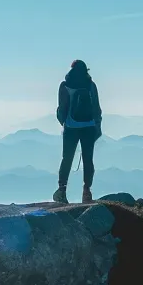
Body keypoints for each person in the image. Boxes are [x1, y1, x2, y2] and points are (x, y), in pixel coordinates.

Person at [54, 59, 103, 203]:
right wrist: (97, 126)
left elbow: (61, 108)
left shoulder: (65, 85)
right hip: (89, 127)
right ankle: (87, 191)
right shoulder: (90, 85)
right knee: (88, 159)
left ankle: (62, 191)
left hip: (70, 127)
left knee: (67, 159)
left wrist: (63, 122)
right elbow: (96, 107)